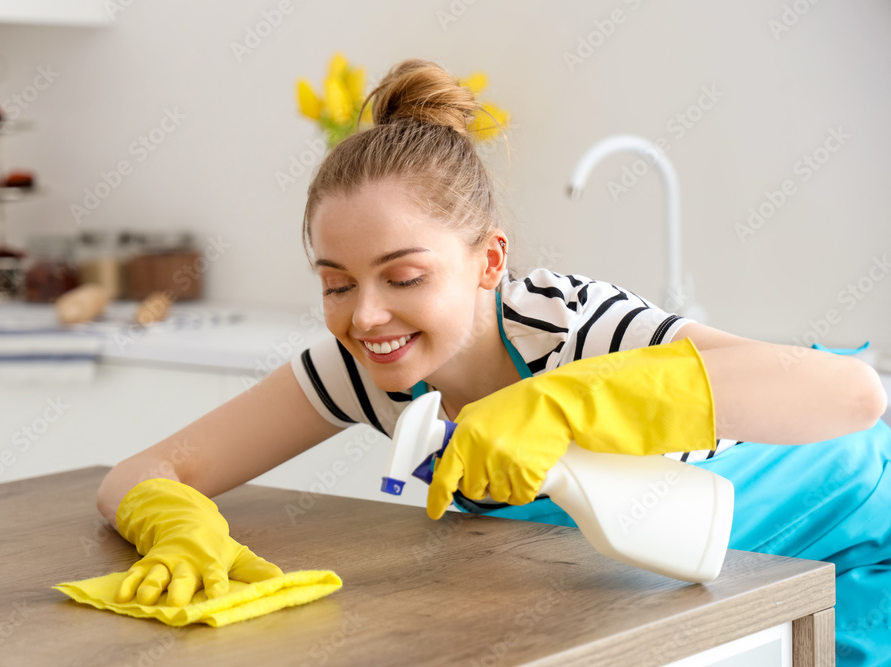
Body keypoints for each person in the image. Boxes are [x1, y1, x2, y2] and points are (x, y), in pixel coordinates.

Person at [96, 58, 890, 664]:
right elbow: (141, 470)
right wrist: (178, 527)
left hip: (856, 541)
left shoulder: (570, 325)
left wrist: (563, 402)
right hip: (695, 581)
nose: (366, 314)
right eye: (335, 283)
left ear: (488, 262)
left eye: (404, 277)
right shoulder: (369, 367)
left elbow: (853, 394)